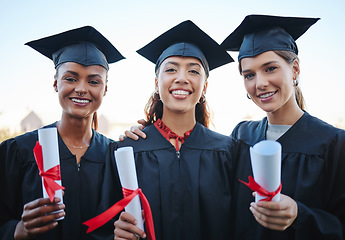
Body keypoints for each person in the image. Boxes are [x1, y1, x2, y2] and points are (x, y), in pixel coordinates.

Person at [99, 20, 237, 240]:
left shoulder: (228, 151)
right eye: (171, 69)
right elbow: (103, 227)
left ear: (205, 87)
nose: (181, 78)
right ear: (156, 83)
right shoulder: (126, 151)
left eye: (193, 71)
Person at [220, 14, 345, 239]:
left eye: (270, 68)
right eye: (249, 74)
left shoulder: (334, 143)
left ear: (295, 69)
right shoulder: (241, 135)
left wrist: (300, 215)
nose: (260, 83)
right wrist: (148, 133)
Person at [0, 26, 124, 239]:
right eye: (71, 78)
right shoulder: (19, 151)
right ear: (56, 82)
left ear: (105, 89)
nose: (82, 88)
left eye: (94, 81)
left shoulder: (115, 155)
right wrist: (16, 231)